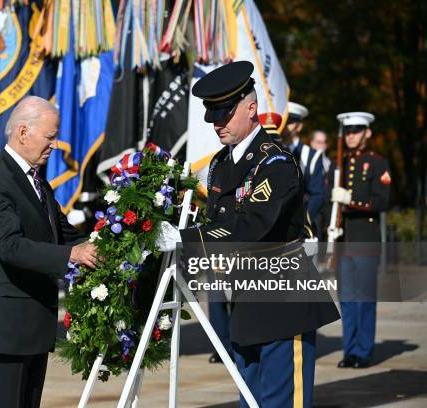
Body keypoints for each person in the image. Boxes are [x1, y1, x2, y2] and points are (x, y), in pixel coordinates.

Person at [157, 61, 340, 407]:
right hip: (245, 303)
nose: (217, 124)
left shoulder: (276, 163)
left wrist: (185, 238)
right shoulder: (220, 165)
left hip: (284, 306)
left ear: (251, 108)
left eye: (225, 113)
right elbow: (216, 222)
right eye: (212, 115)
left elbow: (250, 226)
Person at [0, 96, 97, 408]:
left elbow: (64, 234)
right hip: (5, 327)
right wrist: (72, 256)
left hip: (33, 322)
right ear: (23, 132)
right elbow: (10, 246)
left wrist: (113, 241)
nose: (55, 144)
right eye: (50, 137)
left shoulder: (36, 181)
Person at [332, 112, 390, 369]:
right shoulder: (340, 163)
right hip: (345, 239)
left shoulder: (377, 163)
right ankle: (350, 351)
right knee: (347, 298)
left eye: (357, 131)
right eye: (349, 131)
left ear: (367, 132)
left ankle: (364, 351)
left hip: (365, 238)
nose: (352, 136)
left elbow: (381, 201)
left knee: (364, 298)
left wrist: (350, 202)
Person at [283, 102, 326, 227]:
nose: (285, 125)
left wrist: (303, 221)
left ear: (299, 126)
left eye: (289, 122)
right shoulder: (270, 150)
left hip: (301, 223)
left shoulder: (312, 155)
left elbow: (317, 194)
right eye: (283, 120)